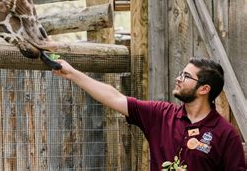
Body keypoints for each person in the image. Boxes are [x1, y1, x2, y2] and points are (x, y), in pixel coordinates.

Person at [53, 57, 246, 170]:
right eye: (181, 73)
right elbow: (114, 97)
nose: (178, 79)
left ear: (204, 89)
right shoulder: (161, 115)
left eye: (186, 76)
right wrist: (71, 74)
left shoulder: (225, 134)